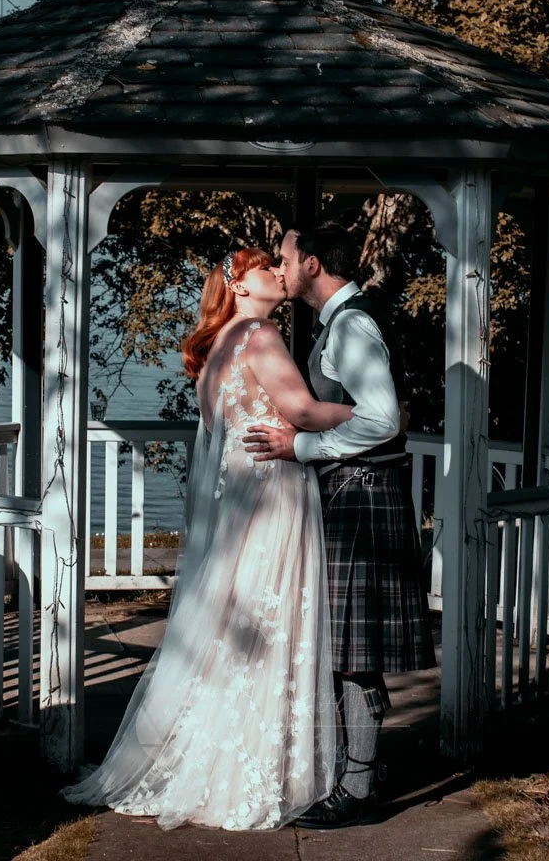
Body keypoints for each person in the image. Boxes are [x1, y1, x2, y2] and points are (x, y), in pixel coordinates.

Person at [62, 247, 351, 830]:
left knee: (232, 630)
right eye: (264, 267)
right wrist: (375, 415)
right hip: (273, 501)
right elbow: (302, 409)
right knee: (269, 629)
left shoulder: (217, 351)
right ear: (240, 287)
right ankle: (257, 769)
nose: (276, 272)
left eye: (278, 264)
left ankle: (219, 757)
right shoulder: (260, 336)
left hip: (236, 509)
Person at [242, 223, 436, 830]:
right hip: (354, 491)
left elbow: (381, 421)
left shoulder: (352, 326)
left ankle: (357, 790)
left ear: (313, 264)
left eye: (287, 257)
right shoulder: (343, 322)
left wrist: (301, 446)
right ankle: (353, 773)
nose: (281, 264)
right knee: (345, 646)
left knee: (354, 652)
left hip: (365, 495)